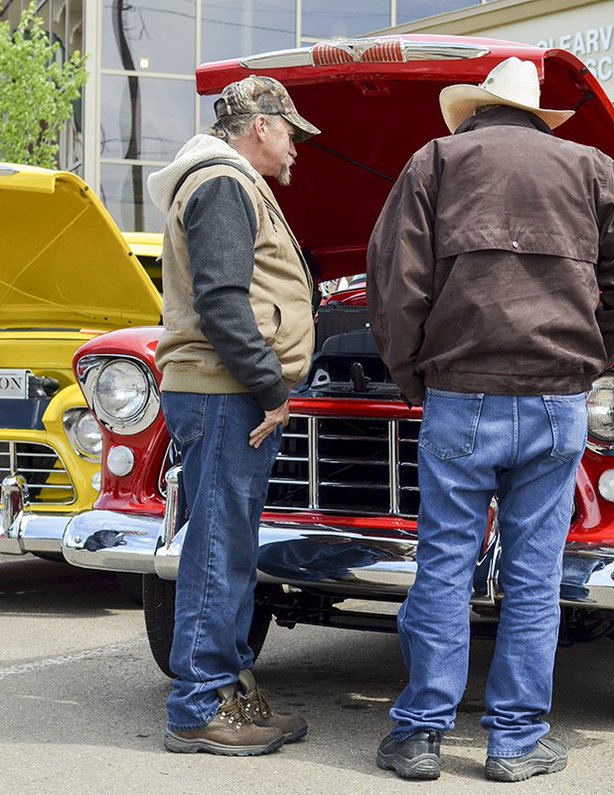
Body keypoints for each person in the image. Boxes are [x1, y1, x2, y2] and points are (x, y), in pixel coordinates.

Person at [367, 57, 614, 782]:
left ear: (475, 111)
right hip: (557, 398)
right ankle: (515, 742)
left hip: (459, 392)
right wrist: (588, 357)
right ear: (536, 115)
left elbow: (394, 282)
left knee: (444, 565)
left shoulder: (436, 160)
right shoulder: (592, 168)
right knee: (533, 575)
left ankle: (420, 735)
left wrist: (415, 376)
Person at [146, 75, 319, 756]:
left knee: (232, 545)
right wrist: (272, 388)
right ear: (262, 126)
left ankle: (232, 692)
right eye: (291, 133)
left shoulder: (229, 181)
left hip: (226, 390)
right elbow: (222, 302)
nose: (297, 148)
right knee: (219, 546)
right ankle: (199, 705)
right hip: (225, 392)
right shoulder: (222, 183)